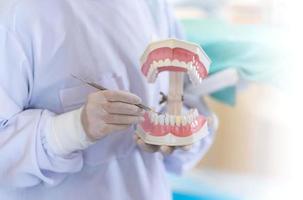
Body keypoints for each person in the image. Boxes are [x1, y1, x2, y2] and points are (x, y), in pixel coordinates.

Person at [0, 0, 215, 199]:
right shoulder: (17, 14)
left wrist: (180, 135)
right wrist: (73, 128)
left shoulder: (153, 4)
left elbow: (186, 94)